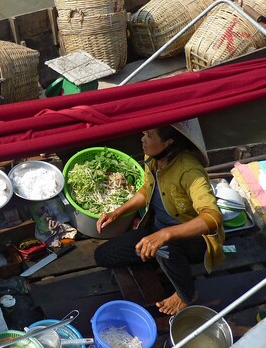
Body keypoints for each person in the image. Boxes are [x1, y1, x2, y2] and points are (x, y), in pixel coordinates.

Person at [93, 119, 224, 315]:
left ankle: (186, 294)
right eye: (144, 134)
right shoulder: (153, 157)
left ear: (169, 142)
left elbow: (213, 217)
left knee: (163, 246)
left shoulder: (190, 171)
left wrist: (165, 235)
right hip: (156, 230)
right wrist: (117, 212)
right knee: (103, 256)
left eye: (149, 135)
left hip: (194, 241)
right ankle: (159, 257)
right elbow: (147, 190)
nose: (142, 139)